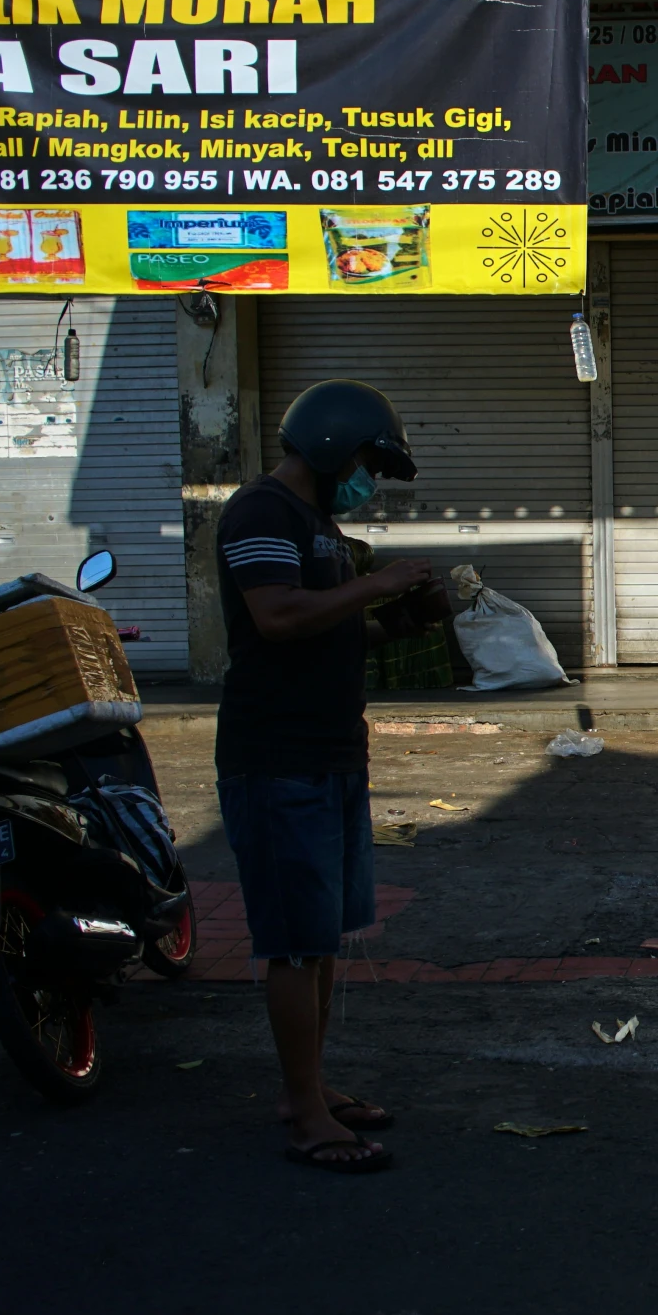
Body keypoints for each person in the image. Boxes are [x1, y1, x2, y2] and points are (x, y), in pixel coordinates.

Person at [215, 378, 438, 1173]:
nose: (368, 481)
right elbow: (276, 617)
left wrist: (393, 620)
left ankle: (309, 1082)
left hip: (333, 751)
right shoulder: (260, 513)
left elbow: (325, 630)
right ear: (330, 444)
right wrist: (376, 583)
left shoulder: (317, 525)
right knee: (293, 943)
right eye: (366, 464)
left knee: (323, 936)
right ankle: (305, 1112)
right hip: (277, 758)